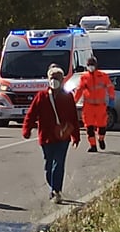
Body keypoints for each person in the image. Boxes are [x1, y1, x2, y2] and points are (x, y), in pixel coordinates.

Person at [22, 66, 80, 204]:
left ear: (62, 80)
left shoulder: (67, 97)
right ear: (48, 80)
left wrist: (76, 136)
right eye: (52, 78)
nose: (54, 81)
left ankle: (56, 191)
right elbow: (31, 114)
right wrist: (26, 130)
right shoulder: (41, 96)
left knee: (58, 163)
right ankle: (53, 186)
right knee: (49, 166)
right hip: (46, 137)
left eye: (57, 78)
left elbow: (73, 117)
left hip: (63, 137)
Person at [72, 55, 115, 152]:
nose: (90, 66)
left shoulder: (103, 76)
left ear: (96, 65)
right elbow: (79, 90)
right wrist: (74, 102)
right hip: (88, 107)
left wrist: (112, 98)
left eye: (92, 64)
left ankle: (101, 139)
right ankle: (93, 145)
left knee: (102, 126)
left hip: (100, 106)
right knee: (89, 127)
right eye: (89, 64)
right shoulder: (84, 77)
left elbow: (110, 87)